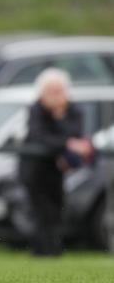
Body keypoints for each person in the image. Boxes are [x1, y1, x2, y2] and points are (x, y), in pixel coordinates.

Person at [18, 68, 94, 257]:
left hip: (56, 167)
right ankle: (43, 251)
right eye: (51, 91)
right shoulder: (36, 109)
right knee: (40, 210)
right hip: (34, 168)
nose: (55, 96)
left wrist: (59, 117)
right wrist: (66, 143)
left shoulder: (74, 110)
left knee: (56, 207)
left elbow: (75, 134)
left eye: (59, 91)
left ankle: (53, 250)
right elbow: (39, 137)